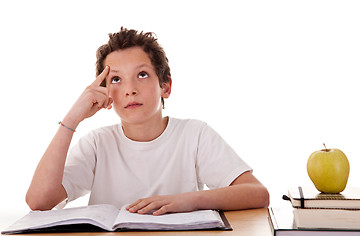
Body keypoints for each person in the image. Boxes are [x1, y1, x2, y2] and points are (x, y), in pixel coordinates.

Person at [26, 27, 269, 216]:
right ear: (106, 94)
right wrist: (72, 118)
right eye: (116, 80)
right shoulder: (98, 143)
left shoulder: (194, 134)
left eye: (142, 75)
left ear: (165, 86)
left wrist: (184, 200)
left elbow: (257, 194)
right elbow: (39, 202)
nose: (130, 90)